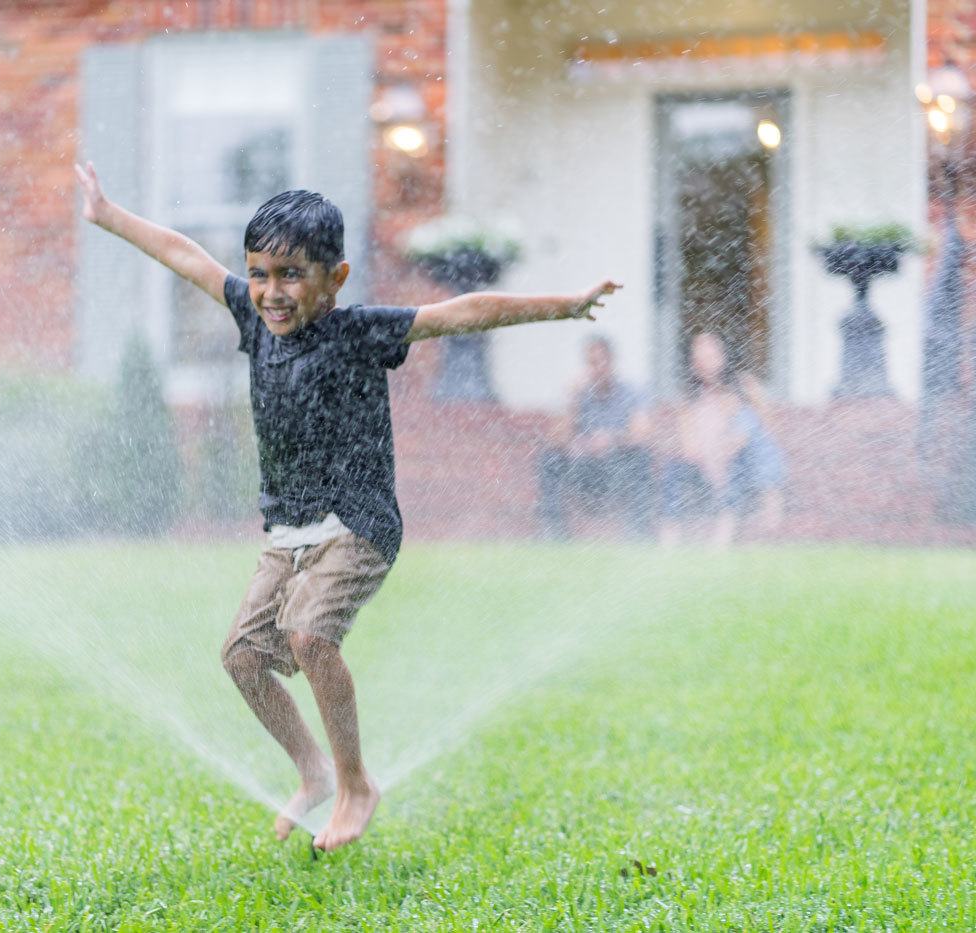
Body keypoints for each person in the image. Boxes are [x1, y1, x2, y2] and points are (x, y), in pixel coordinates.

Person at [75, 161, 619, 851]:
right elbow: (186, 256)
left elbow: (463, 311)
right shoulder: (251, 310)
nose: (271, 292)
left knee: (309, 634)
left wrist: (564, 306)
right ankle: (314, 771)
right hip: (289, 527)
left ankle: (357, 782)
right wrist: (108, 213)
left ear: (335, 278)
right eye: (260, 273)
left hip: (358, 521)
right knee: (243, 656)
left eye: (291, 274)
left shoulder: (358, 330)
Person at [658, 332, 785, 548]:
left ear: (724, 354)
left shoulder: (743, 385)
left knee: (748, 423)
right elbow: (690, 448)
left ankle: (731, 526)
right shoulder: (688, 399)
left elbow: (770, 428)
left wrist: (732, 441)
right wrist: (714, 453)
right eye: (700, 354)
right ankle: (670, 535)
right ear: (692, 361)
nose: (706, 358)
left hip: (745, 463)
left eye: (712, 352)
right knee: (674, 468)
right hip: (705, 465)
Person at [536, 337, 654, 538]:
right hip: (583, 468)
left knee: (641, 459)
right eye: (592, 362)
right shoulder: (578, 394)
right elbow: (556, 440)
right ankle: (554, 533)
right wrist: (571, 400)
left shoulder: (631, 392)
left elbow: (642, 434)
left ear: (612, 362)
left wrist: (612, 439)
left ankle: (637, 533)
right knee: (550, 459)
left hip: (617, 468)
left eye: (602, 361)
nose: (598, 368)